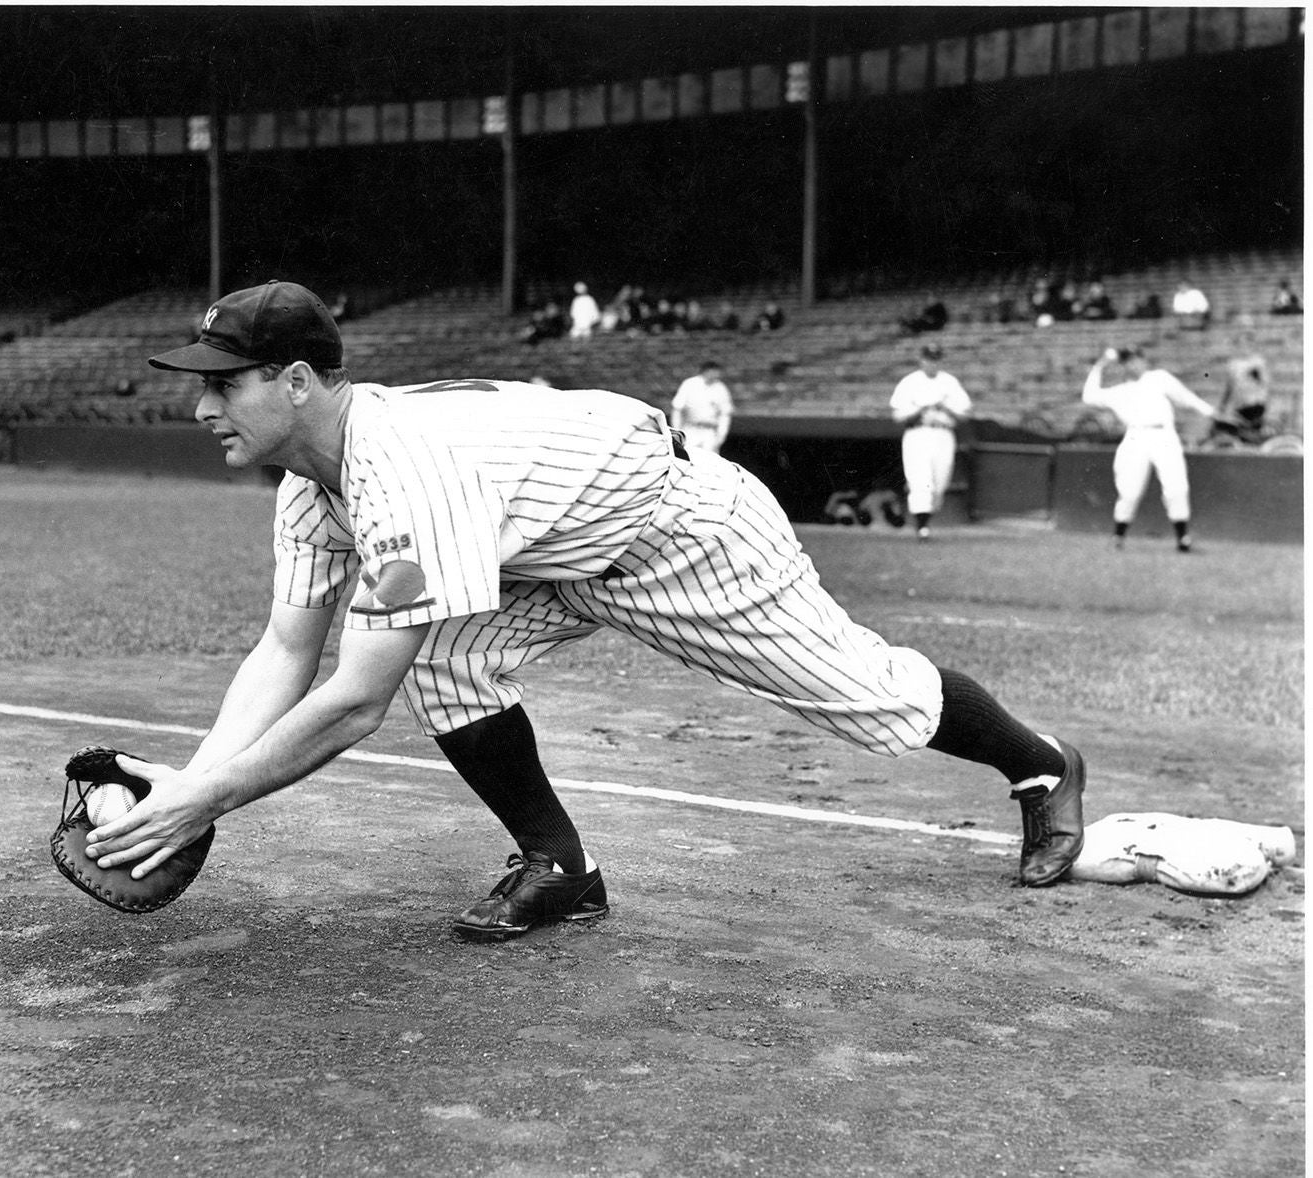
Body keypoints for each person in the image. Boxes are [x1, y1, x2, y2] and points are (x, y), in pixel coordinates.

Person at [89, 280, 1088, 946]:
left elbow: (353, 702)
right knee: (440, 657)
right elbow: (285, 647)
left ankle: (1041, 763)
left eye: (223, 385)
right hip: (544, 554)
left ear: (297, 380)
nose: (202, 408)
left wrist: (205, 802)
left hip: (675, 534)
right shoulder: (311, 487)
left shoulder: (402, 472)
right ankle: (561, 865)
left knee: (866, 699)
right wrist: (193, 781)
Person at [1081, 346, 1217, 552]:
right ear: (1123, 366)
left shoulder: (1159, 378)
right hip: (1136, 437)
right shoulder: (1120, 391)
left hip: (1164, 435)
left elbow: (1186, 397)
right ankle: (1118, 536)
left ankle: (1183, 538)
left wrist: (1210, 412)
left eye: (1137, 359)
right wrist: (1100, 365)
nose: (1134, 364)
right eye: (1128, 361)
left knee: (1176, 486)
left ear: (1144, 361)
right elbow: (1089, 396)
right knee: (1129, 490)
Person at [889, 343, 972, 540]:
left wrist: (945, 407)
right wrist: (921, 409)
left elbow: (965, 414)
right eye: (928, 359)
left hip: (943, 433)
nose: (932, 363)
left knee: (939, 483)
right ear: (921, 360)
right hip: (918, 433)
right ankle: (922, 526)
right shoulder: (910, 382)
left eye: (935, 359)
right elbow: (897, 415)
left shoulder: (949, 382)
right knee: (920, 480)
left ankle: (925, 520)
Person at [1214, 320, 1272, 444]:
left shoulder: (1258, 362)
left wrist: (1265, 407)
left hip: (1255, 407)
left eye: (1247, 343)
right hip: (1239, 407)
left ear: (1251, 345)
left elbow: (1264, 385)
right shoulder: (1232, 364)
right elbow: (1229, 388)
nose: (1243, 347)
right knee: (1237, 435)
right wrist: (1222, 407)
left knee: (1253, 437)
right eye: (1240, 343)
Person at [669, 360, 734, 455]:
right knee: (688, 456)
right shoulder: (690, 384)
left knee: (710, 459)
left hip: (709, 431)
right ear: (706, 371)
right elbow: (677, 408)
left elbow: (725, 414)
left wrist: (721, 435)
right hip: (690, 429)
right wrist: (677, 431)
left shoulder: (720, 388)